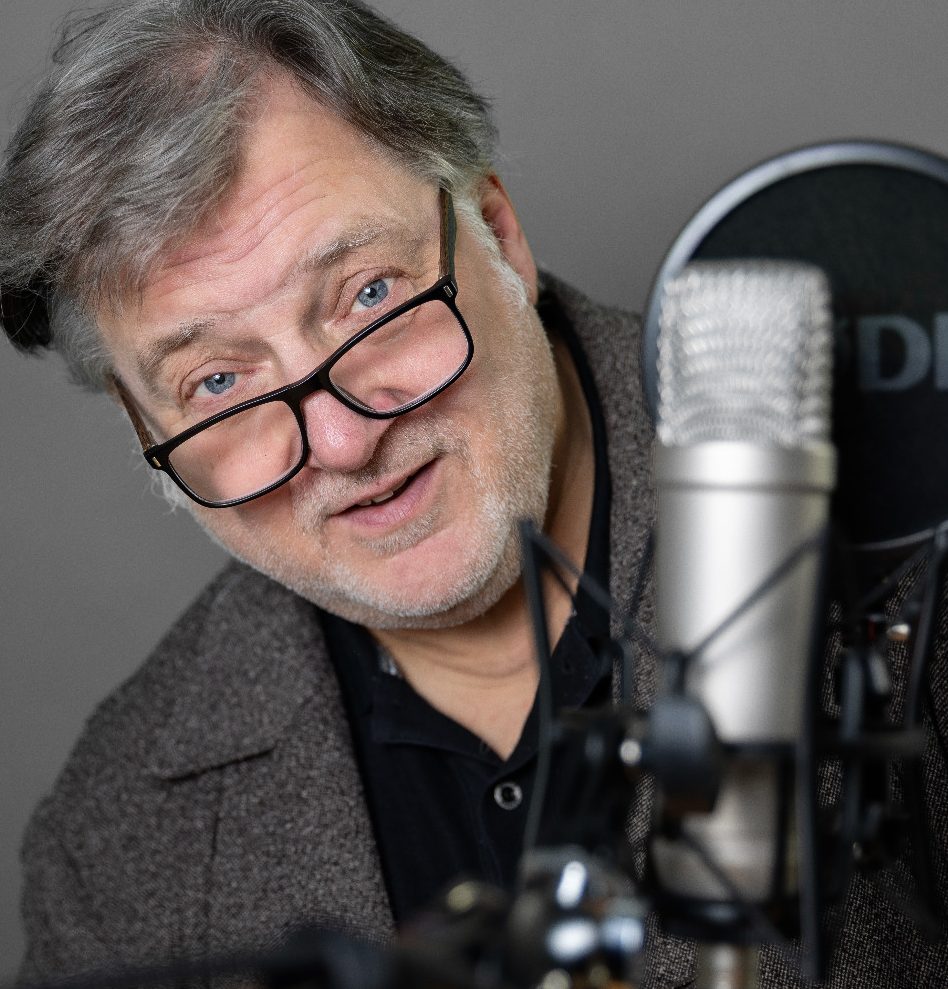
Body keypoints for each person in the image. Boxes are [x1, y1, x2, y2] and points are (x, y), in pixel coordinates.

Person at [3, 3, 947, 989]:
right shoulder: (108, 850)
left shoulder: (911, 552)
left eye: (369, 294)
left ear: (499, 236)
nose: (343, 441)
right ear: (145, 431)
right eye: (218, 382)